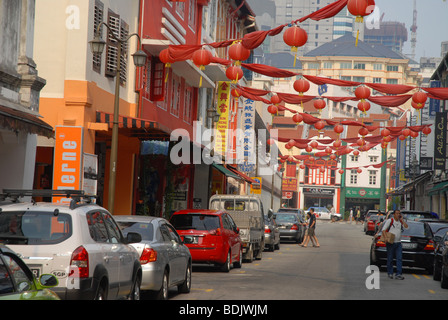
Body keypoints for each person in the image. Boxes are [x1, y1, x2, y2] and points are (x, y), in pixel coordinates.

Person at [381, 209, 408, 280]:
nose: (398, 215)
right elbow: (383, 230)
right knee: (390, 258)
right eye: (397, 213)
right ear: (394, 214)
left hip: (398, 243)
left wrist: (402, 220)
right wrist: (386, 237)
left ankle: (398, 274)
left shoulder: (400, 222)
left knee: (399, 258)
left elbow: (406, 227)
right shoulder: (390, 221)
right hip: (391, 243)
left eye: (399, 213)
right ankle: (390, 272)